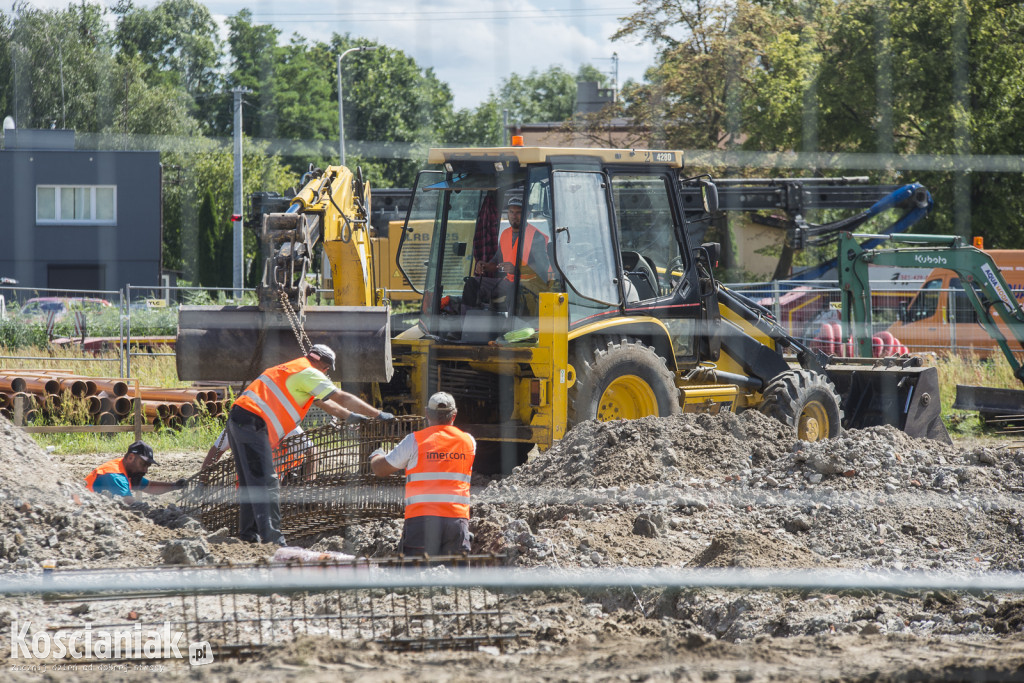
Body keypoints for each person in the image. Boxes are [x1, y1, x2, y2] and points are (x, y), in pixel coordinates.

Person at [228, 343, 394, 546]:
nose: (325, 373)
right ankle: (273, 540)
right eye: (326, 369)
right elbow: (341, 396)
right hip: (253, 422)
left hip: (239, 419)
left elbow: (325, 403)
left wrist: (351, 416)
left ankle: (248, 535)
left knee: (249, 481)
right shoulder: (309, 372)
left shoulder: (292, 369)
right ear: (322, 365)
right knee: (267, 481)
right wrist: (378, 414)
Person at [369, 392, 475, 557]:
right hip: (456, 520)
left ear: (426, 413)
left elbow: (380, 469)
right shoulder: (469, 441)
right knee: (457, 578)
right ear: (454, 415)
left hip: (421, 521)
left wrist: (375, 454)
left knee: (415, 578)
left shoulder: (414, 441)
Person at [474, 195, 551, 282]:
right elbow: (496, 262)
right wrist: (485, 267)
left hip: (530, 286)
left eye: (518, 212)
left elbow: (543, 265)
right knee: (473, 283)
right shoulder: (505, 234)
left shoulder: (535, 236)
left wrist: (516, 269)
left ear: (527, 214)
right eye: (511, 212)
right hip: (510, 283)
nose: (514, 216)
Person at [85, 440, 185, 504]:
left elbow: (150, 487)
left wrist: (174, 486)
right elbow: (128, 502)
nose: (145, 470)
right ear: (130, 457)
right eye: (143, 464)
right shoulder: (115, 475)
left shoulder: (126, 470)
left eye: (148, 466)